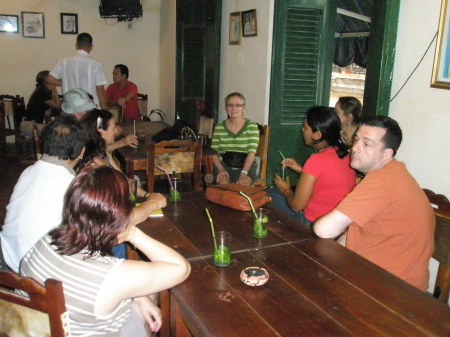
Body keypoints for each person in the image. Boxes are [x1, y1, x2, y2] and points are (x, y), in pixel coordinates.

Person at [20, 165, 191, 336]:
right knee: (151, 291)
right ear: (120, 213)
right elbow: (181, 268)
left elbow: (82, 283)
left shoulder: (47, 239)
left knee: (142, 296)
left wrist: (137, 296)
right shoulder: (109, 274)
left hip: (39, 328)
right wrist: (133, 234)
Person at [313, 116, 435, 291]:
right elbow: (351, 233)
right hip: (375, 276)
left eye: (366, 144)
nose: (354, 148)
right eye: (356, 140)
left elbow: (323, 230)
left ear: (387, 153)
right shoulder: (392, 171)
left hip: (396, 291)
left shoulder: (383, 180)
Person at [0, 116, 85, 272]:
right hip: (35, 269)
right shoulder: (70, 183)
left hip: (7, 256)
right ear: (81, 152)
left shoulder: (28, 171)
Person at [268, 106, 355, 226]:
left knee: (271, 193)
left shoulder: (316, 160)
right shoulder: (344, 154)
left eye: (305, 127)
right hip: (337, 224)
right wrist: (301, 170)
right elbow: (326, 180)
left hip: (312, 223)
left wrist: (285, 190)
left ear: (317, 135)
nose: (302, 130)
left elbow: (296, 207)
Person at [78, 109, 163, 226]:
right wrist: (151, 203)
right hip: (105, 222)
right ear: (101, 131)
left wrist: (147, 195)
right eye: (113, 128)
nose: (115, 132)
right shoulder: (95, 163)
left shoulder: (103, 153)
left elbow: (124, 181)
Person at [61, 88, 138, 150]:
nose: (88, 113)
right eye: (83, 110)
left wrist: (113, 129)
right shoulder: (67, 132)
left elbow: (109, 127)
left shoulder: (87, 118)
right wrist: (121, 143)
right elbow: (91, 152)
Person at [47, 32, 108, 109]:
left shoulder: (63, 62)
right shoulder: (95, 64)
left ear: (76, 45)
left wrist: (66, 81)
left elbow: (50, 79)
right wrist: (104, 108)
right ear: (91, 47)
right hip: (89, 108)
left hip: (70, 107)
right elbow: (100, 89)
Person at [210, 92, 260, 185]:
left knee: (242, 184)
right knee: (223, 185)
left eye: (238, 105)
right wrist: (221, 169)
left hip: (246, 168)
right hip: (225, 166)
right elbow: (214, 152)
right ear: (226, 108)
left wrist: (243, 174)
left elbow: (251, 153)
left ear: (243, 108)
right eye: (230, 105)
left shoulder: (251, 126)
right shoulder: (219, 126)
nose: (234, 108)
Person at [20, 70, 61, 137]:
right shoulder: (42, 91)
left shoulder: (42, 90)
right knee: (57, 132)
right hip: (30, 126)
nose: (54, 79)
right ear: (46, 80)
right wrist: (55, 90)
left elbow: (49, 110)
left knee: (57, 129)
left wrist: (53, 92)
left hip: (32, 124)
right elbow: (57, 106)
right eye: (51, 77)